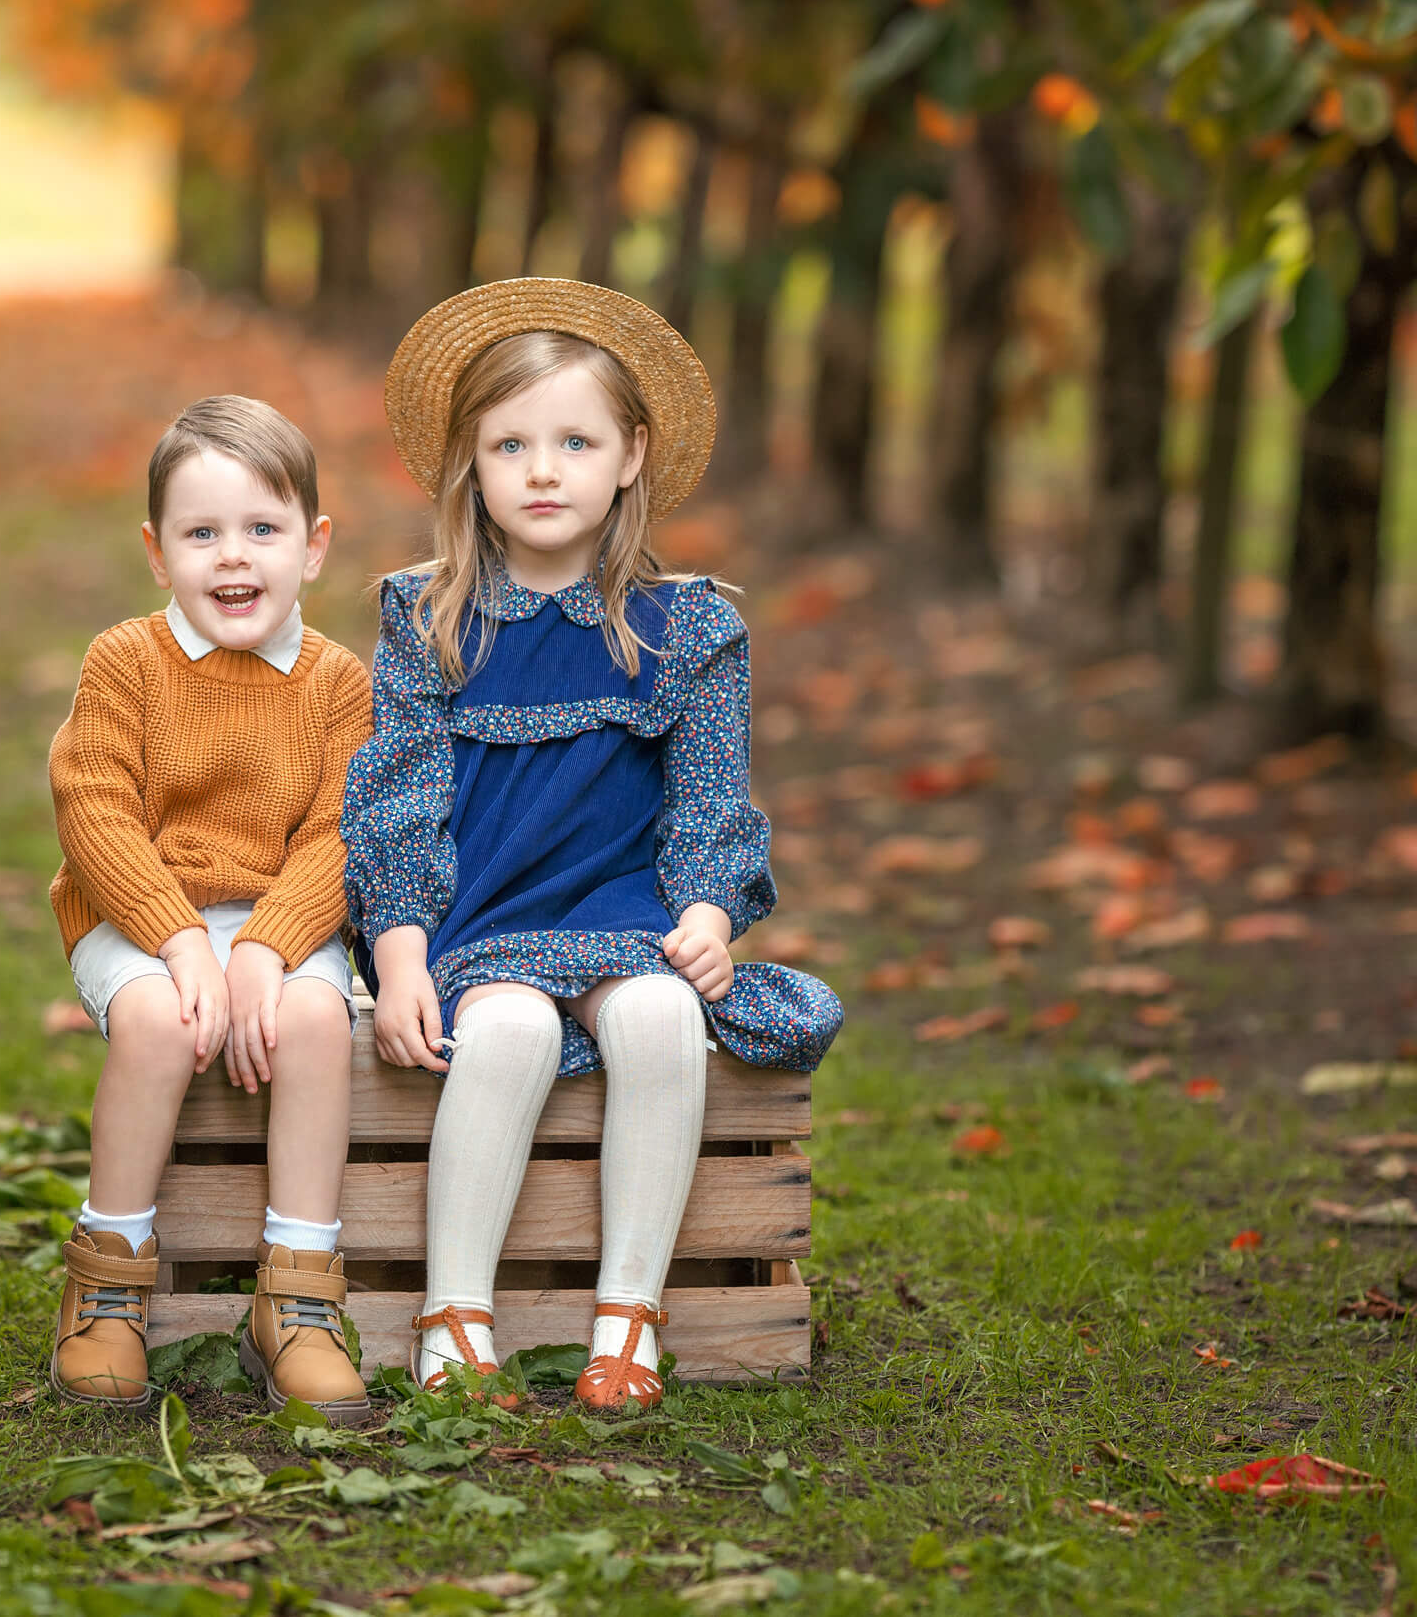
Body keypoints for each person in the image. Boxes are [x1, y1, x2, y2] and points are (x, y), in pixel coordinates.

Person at [342, 280, 842, 1410]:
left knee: (666, 1013)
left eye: (576, 440)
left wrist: (710, 916)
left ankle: (629, 1316)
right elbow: (398, 795)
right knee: (510, 1032)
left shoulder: (689, 626)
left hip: (623, 911)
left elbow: (712, 798)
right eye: (511, 444)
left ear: (632, 456)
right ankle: (453, 1314)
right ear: (472, 464)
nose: (544, 468)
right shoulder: (429, 616)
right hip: (481, 916)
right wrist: (406, 949)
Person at [46, 395, 373, 1422]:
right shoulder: (125, 662)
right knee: (155, 1020)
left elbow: (341, 834)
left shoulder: (338, 682)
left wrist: (268, 952)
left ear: (313, 547)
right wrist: (183, 944)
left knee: (320, 1021)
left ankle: (298, 1295)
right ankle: (109, 1277)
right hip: (141, 915)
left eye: (263, 530)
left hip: (283, 921)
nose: (234, 559)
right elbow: (93, 810)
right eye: (202, 534)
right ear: (157, 553)